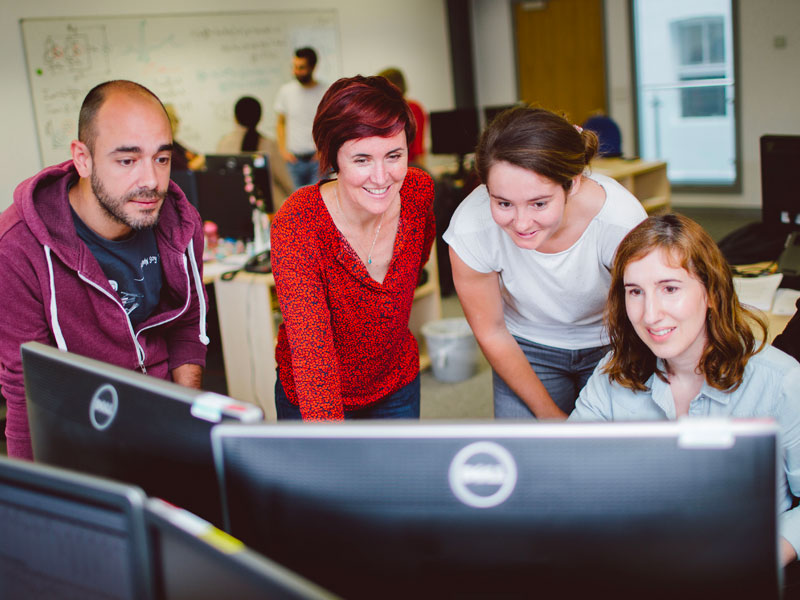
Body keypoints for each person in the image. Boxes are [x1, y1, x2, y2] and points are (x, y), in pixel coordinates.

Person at [569, 213, 800, 568]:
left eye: (670, 288)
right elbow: (568, 472)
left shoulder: (779, 381)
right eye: (635, 292)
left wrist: (764, 554)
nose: (650, 315)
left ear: (711, 292)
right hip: (642, 559)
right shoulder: (612, 373)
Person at [0, 80, 209, 460]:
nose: (150, 181)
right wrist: (36, 500)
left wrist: (184, 426)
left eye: (162, 158)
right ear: (83, 158)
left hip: (163, 421)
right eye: (127, 160)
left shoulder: (180, 222)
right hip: (81, 438)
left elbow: (188, 327)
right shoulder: (16, 247)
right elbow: (25, 387)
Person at [443, 106, 647, 419]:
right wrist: (550, 416)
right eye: (503, 203)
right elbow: (492, 331)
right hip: (525, 346)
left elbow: (647, 316)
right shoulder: (471, 227)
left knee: (615, 457)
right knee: (529, 459)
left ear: (573, 183)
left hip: (614, 342)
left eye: (539, 203)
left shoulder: (620, 222)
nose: (522, 223)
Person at [270, 75, 435, 420]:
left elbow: (418, 262)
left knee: (399, 476)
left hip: (396, 383)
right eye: (361, 160)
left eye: (394, 155)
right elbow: (313, 358)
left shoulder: (418, 192)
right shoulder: (299, 221)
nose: (381, 177)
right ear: (334, 157)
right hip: (314, 399)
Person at [216, 96, 293, 209]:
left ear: (235, 118)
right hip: (268, 210)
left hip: (234, 207)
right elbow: (286, 182)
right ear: (260, 118)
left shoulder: (224, 143)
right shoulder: (269, 144)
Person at [274, 47, 327, 190]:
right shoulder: (286, 91)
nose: (296, 72)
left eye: (301, 68)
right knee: (296, 205)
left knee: (317, 204)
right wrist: (282, 150)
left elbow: (331, 125)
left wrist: (324, 151)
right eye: (294, 67)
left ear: (313, 67)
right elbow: (280, 123)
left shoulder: (325, 92)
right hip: (293, 160)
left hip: (318, 161)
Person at [377, 67, 426, 167]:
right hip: (406, 165)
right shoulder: (414, 108)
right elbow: (418, 149)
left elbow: (417, 149)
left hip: (397, 165)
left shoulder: (383, 111)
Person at [164, 103, 205, 171]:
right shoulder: (165, 149)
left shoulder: (174, 143)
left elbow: (194, 156)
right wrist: (199, 161)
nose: (178, 122)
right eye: (173, 119)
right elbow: (186, 170)